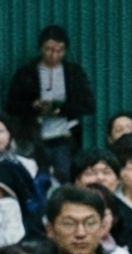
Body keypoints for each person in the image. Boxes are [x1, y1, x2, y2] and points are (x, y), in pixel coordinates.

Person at [5, 24, 94, 179]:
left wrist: (61, 109)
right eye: (49, 49)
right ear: (41, 48)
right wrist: (33, 106)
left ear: (65, 50)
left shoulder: (73, 73)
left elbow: (88, 105)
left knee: (65, 176)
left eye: (59, 50)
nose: (54, 55)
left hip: (64, 138)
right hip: (33, 137)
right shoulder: (27, 72)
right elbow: (11, 105)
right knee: (33, 177)